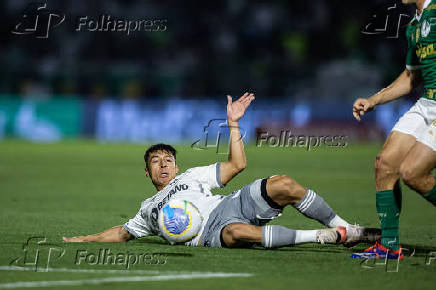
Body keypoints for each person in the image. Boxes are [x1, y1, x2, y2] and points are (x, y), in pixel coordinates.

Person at [64, 93, 378, 248]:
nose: (163, 163)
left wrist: (233, 123)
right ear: (147, 173)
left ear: (176, 166)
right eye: (156, 161)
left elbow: (237, 165)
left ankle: (346, 229)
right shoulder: (148, 209)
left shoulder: (191, 177)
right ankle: (322, 237)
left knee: (283, 183)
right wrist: (83, 240)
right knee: (235, 232)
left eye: (167, 159)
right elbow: (120, 232)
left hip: (229, 204)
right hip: (210, 233)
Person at [351, 0, 436, 260]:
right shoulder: (414, 25)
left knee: (412, 173)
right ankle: (389, 246)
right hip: (427, 103)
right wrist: (374, 100)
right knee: (384, 163)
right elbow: (412, 76)